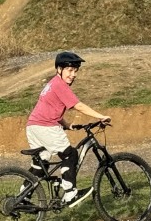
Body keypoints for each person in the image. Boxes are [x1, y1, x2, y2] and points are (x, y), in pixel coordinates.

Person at [25, 52, 111, 208]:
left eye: (75, 71)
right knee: (70, 154)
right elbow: (78, 106)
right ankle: (70, 193)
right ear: (59, 69)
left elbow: (51, 108)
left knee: (40, 163)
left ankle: (23, 195)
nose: (73, 74)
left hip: (33, 126)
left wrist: (67, 125)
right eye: (70, 70)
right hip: (46, 126)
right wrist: (100, 117)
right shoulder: (59, 85)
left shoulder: (52, 84)